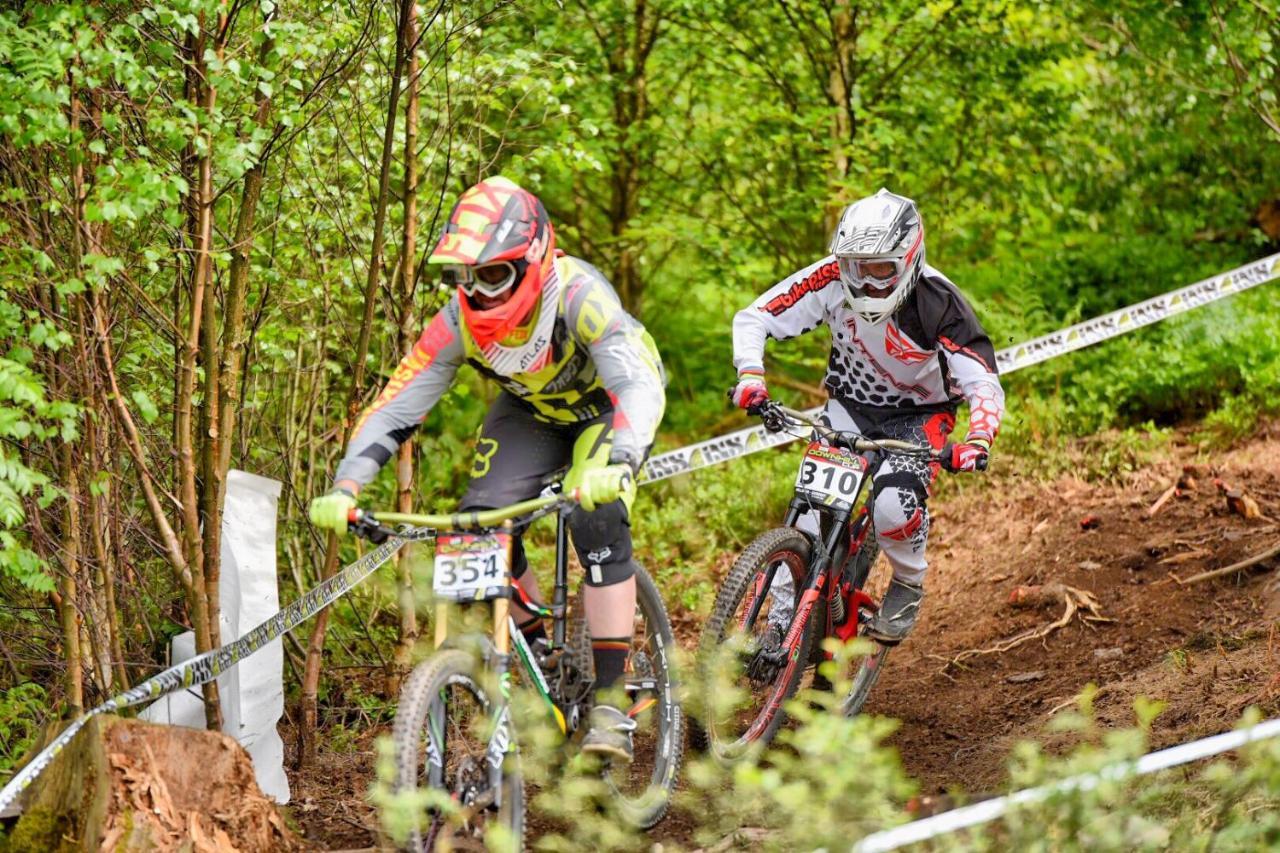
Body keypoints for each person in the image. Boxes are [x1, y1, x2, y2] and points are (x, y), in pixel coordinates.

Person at [309, 176, 666, 762]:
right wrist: (348, 483)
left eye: (494, 275)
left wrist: (622, 458)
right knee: (477, 527)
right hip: (533, 413)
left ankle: (609, 698)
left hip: (611, 405)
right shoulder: (457, 319)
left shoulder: (579, 295)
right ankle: (538, 647)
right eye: (463, 278)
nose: (477, 294)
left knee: (593, 512)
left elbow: (637, 382)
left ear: (533, 260)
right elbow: (398, 403)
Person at [730, 188, 1004, 643]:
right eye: (859, 267)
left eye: (882, 269)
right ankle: (780, 619)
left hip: (920, 417)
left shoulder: (939, 303)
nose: (869, 282)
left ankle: (908, 583)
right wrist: (751, 376)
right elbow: (755, 316)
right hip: (850, 406)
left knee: (893, 507)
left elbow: (982, 380)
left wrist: (978, 438)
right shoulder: (830, 278)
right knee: (805, 515)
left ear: (909, 258)